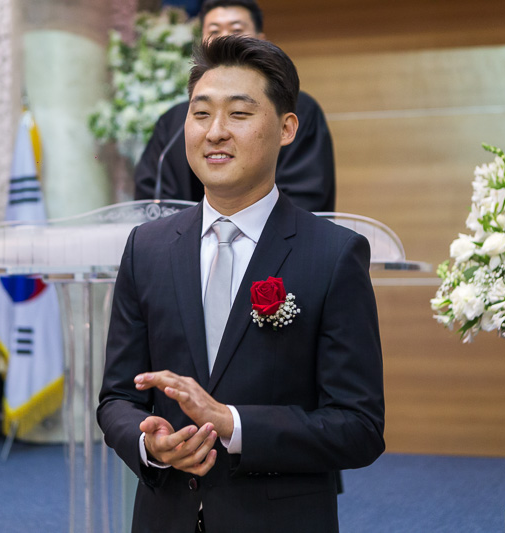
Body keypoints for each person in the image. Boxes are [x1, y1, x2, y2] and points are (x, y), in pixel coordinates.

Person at [97, 35, 384, 533]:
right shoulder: (147, 247)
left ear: (286, 128)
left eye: (240, 114)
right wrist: (151, 446)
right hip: (165, 517)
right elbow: (117, 399)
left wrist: (234, 424)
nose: (215, 133)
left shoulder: (332, 255)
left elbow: (358, 427)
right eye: (201, 113)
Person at [134, 0, 336, 213]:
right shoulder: (173, 120)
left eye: (239, 113)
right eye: (214, 30)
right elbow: (150, 201)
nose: (225, 37)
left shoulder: (299, 108)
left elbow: (307, 195)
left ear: (261, 39)